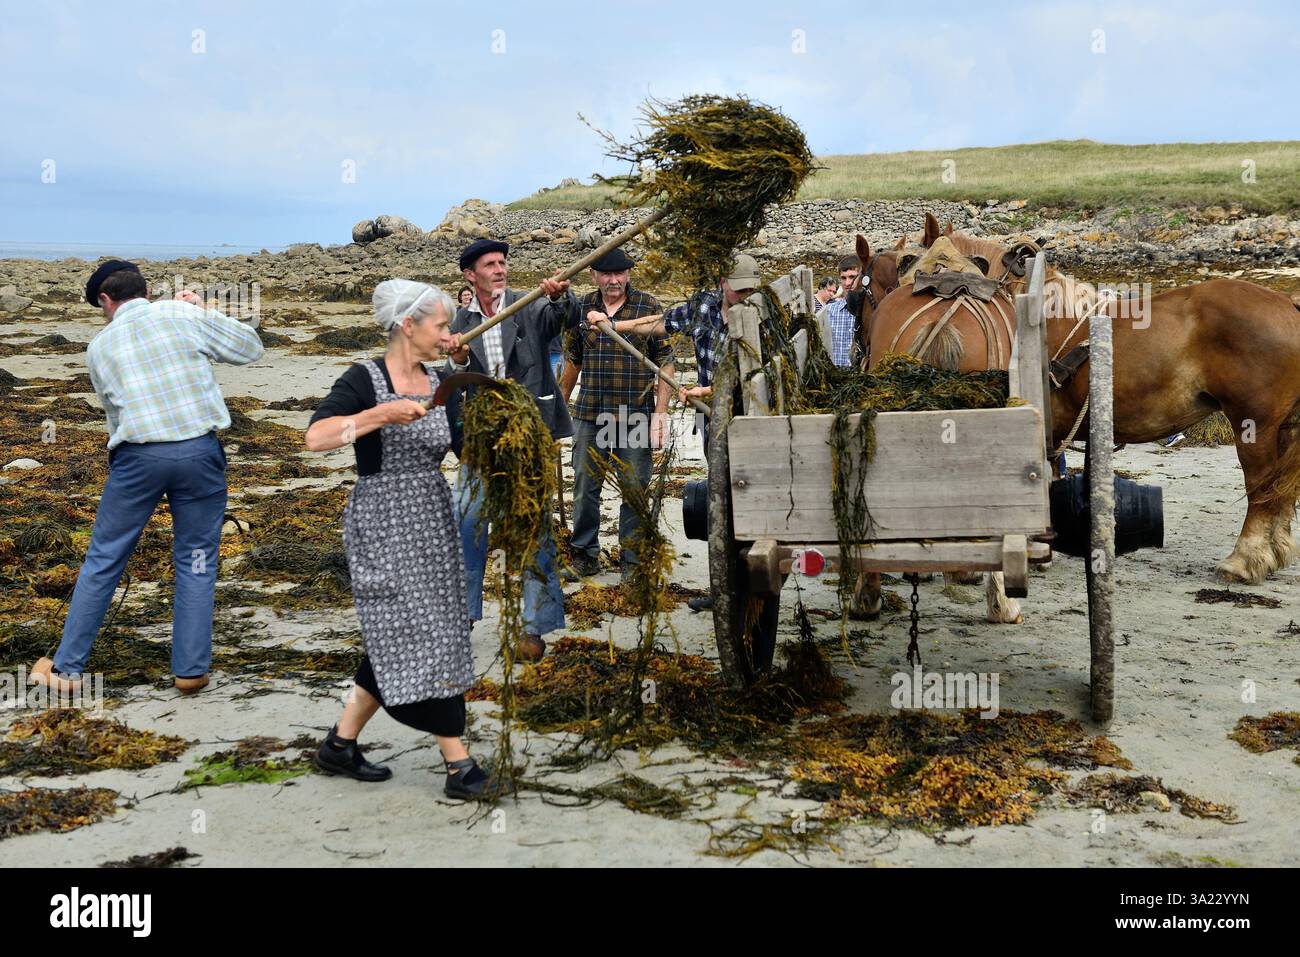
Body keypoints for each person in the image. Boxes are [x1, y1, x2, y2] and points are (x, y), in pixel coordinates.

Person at [31, 260, 264, 695]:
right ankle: (190, 670)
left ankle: (67, 670)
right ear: (148, 289)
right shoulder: (183, 314)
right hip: (199, 451)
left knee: (104, 560)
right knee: (196, 560)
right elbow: (251, 348)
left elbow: (113, 413)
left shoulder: (99, 346)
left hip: (138, 458)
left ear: (105, 300)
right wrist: (204, 309)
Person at [305, 280, 491, 800]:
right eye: (440, 326)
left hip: (431, 521)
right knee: (417, 632)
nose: (447, 334)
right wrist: (379, 415)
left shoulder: (438, 380)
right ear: (408, 325)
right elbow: (317, 438)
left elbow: (467, 450)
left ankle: (339, 746)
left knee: (413, 631)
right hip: (382, 522)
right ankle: (459, 765)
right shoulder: (364, 378)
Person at [587, 253, 764, 612]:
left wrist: (711, 391)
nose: (745, 295)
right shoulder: (703, 307)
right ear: (723, 283)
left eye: (750, 289)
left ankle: (747, 584)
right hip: (711, 421)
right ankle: (725, 588)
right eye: (739, 288)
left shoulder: (763, 315)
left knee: (746, 500)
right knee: (721, 502)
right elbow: (662, 323)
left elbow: (763, 372)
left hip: (750, 419)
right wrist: (617, 326)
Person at [446, 238, 574, 663]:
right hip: (482, 439)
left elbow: (566, 319)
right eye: (490, 264)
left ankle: (533, 625)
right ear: (470, 275)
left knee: (533, 528)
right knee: (466, 519)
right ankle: (461, 614)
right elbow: (452, 378)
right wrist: (461, 362)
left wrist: (562, 297)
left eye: (503, 263)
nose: (500, 269)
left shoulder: (530, 305)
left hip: (528, 432)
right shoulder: (457, 321)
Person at [558, 248, 671, 581]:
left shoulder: (648, 307)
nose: (613, 280)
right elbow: (572, 362)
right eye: (606, 274)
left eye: (619, 273)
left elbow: (666, 363)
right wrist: (558, 410)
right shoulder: (581, 308)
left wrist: (660, 416)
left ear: (629, 274)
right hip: (589, 415)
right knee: (584, 488)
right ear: (593, 275)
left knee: (634, 490)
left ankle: (632, 563)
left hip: (634, 415)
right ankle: (585, 554)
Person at [823, 254, 862, 367]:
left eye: (852, 277)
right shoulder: (829, 311)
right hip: (836, 377)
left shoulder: (870, 313)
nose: (847, 283)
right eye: (843, 278)